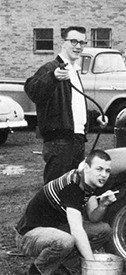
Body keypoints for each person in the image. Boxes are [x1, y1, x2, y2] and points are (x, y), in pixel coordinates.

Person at [15, 150, 116, 275]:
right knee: (66, 241)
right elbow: (77, 230)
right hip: (28, 235)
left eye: (107, 170)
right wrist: (92, 264)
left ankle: (60, 263)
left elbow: (94, 218)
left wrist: (103, 205)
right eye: (99, 169)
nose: (104, 175)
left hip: (55, 228)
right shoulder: (73, 186)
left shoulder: (89, 182)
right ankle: (37, 272)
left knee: (104, 230)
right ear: (87, 167)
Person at [24, 26, 106, 184]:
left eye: (82, 42)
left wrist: (95, 118)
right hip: (59, 142)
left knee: (73, 190)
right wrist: (52, 77)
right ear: (63, 43)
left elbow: (72, 108)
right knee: (56, 189)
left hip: (78, 141)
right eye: (74, 41)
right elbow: (33, 90)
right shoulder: (51, 69)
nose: (78, 46)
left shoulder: (74, 71)